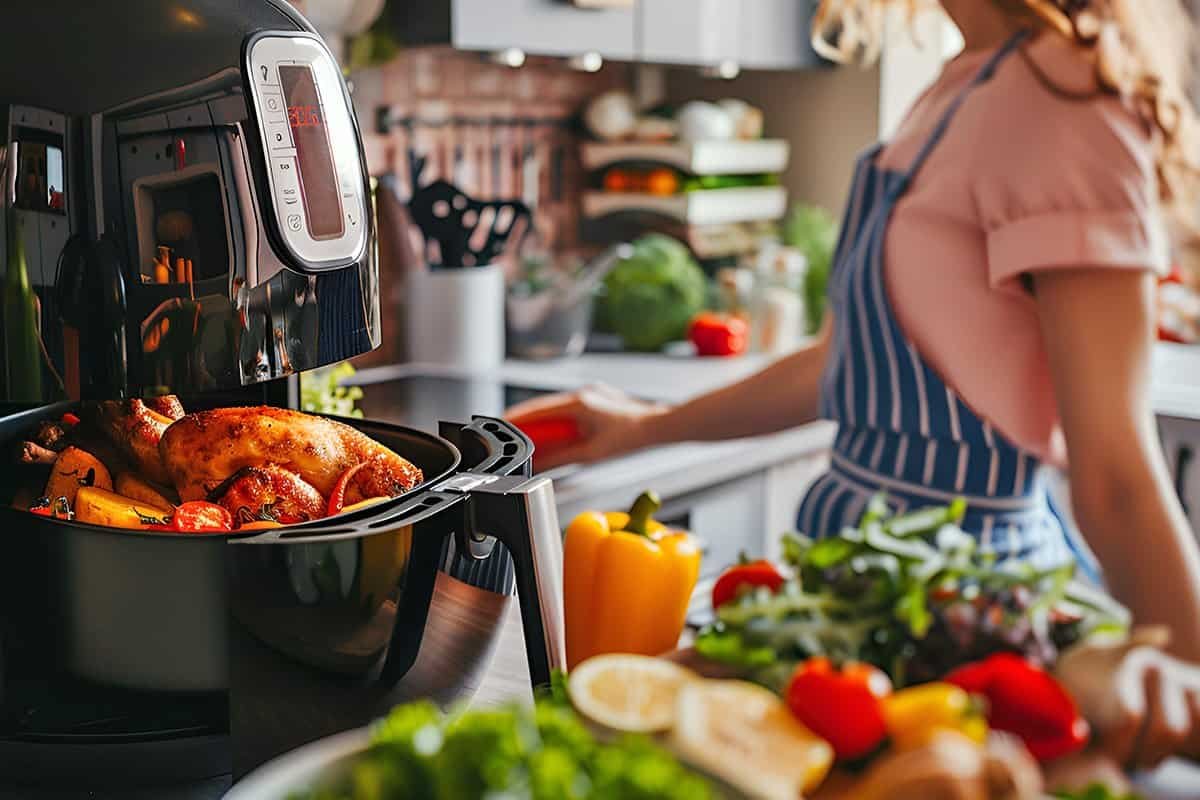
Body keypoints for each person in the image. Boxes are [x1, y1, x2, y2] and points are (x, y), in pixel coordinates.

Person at [508, 0, 1200, 770]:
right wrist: (643, 425)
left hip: (961, 623)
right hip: (855, 610)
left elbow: (1119, 480)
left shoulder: (1065, 103)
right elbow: (845, 366)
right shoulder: (969, 81)